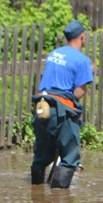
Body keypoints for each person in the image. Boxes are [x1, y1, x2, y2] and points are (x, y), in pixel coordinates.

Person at [31, 20, 93, 189]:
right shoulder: (82, 60)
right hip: (62, 111)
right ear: (81, 36)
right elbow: (80, 91)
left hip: (42, 107)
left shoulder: (54, 53)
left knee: (42, 155)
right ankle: (58, 200)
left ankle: (36, 193)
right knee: (70, 157)